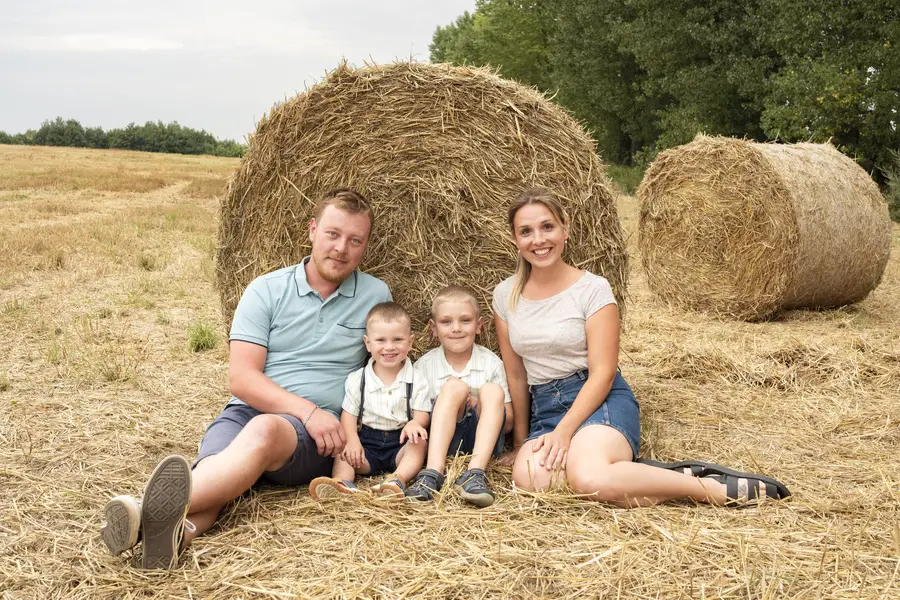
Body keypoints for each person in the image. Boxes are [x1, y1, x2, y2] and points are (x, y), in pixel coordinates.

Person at [99, 188, 391, 569]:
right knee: (214, 477)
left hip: (310, 438)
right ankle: (170, 538)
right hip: (246, 414)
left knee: (265, 432)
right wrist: (307, 411)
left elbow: (390, 364)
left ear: (365, 246)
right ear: (312, 230)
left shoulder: (375, 295)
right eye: (333, 234)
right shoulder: (266, 289)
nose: (341, 248)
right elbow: (241, 379)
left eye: (355, 240)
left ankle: (139, 509)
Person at [493, 187, 791, 507]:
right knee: (531, 479)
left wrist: (564, 432)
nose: (538, 239)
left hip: (597, 400)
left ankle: (707, 488)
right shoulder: (506, 295)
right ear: (515, 239)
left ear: (565, 228)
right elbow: (517, 375)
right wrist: (523, 441)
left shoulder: (592, 290)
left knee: (587, 478)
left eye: (547, 226)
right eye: (526, 231)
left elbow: (603, 373)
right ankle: (639, 474)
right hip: (546, 410)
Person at [309, 302, 431, 498]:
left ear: (410, 342)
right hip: (366, 446)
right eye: (380, 340)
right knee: (344, 451)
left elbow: (422, 413)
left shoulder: (418, 379)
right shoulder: (358, 379)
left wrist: (416, 423)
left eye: (398, 339)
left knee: (418, 445)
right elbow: (348, 416)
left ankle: (396, 479)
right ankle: (343, 483)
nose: (389, 347)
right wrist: (353, 441)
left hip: (399, 445)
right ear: (367, 343)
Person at [405, 285, 513, 507]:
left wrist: (477, 404)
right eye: (446, 322)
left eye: (465, 321)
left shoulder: (491, 363)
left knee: (492, 390)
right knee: (454, 387)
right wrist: (448, 403)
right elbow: (416, 418)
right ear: (433, 328)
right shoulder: (424, 367)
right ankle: (433, 472)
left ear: (479, 326)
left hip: (486, 443)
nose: (456, 328)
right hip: (444, 442)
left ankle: (475, 472)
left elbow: (509, 420)